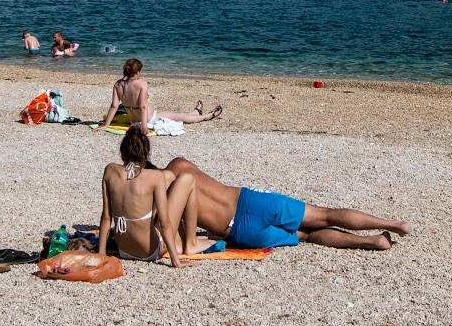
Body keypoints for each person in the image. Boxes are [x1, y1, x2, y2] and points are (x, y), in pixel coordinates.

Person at [164, 157, 409, 251]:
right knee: (324, 215)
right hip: (253, 200)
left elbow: (170, 232)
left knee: (307, 236)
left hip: (242, 232)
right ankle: (392, 223)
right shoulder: (180, 164)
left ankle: (372, 242)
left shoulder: (167, 196)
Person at [99, 127, 218, 267]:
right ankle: (191, 243)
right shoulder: (155, 177)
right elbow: (164, 222)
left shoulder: (110, 171)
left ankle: (182, 239)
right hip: (149, 251)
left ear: (121, 153)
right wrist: (176, 261)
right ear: (147, 155)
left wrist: (101, 255)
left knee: (169, 176)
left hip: (124, 249)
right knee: (187, 179)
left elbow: (106, 217)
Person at [99, 58, 220, 135]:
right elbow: (142, 107)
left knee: (174, 114)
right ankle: (207, 116)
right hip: (149, 119)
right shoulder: (141, 84)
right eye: (140, 71)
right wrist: (145, 127)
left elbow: (114, 106)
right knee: (182, 117)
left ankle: (196, 112)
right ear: (137, 72)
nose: (141, 73)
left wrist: (106, 125)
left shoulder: (118, 85)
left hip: (134, 121)